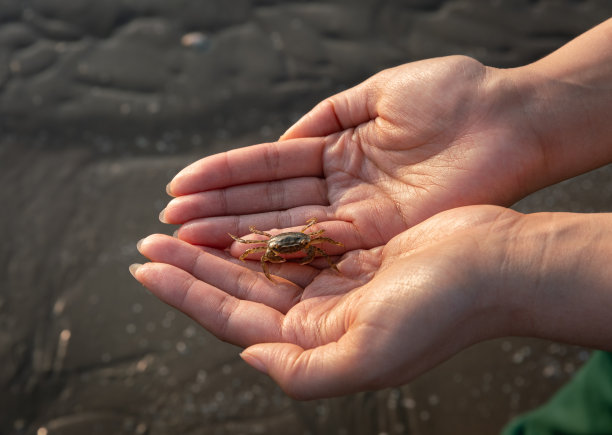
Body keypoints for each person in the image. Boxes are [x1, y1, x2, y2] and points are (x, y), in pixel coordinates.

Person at [130, 17, 612, 431]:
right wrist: (521, 108)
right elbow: (278, 249)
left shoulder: (315, 240)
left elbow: (309, 242)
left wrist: (511, 264)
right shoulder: (280, 249)